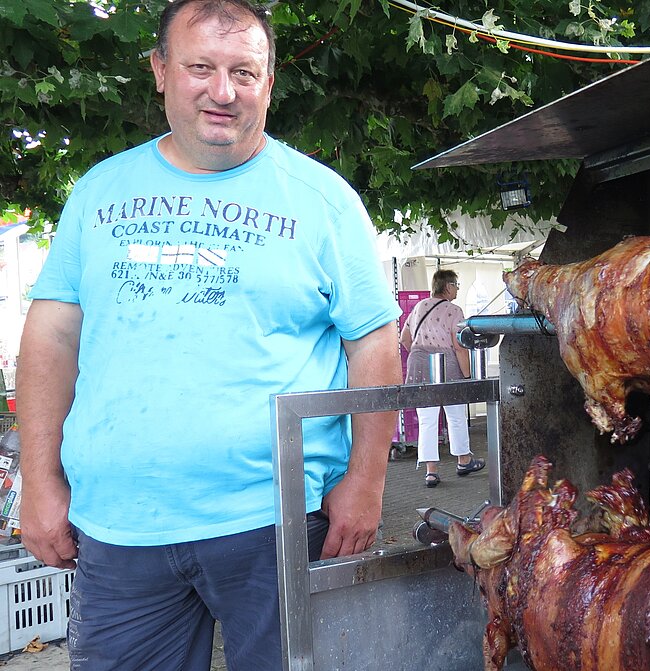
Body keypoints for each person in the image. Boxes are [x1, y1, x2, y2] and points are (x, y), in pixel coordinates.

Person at [16, 1, 402, 669]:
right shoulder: (98, 193)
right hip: (119, 523)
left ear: (269, 84)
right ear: (161, 70)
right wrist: (39, 479)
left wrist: (366, 481)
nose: (224, 92)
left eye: (244, 73)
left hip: (277, 523)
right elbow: (52, 337)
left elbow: (373, 343)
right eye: (201, 67)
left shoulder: (323, 199)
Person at [400, 270, 485, 487]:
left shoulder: (419, 306)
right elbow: (459, 347)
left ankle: (431, 471)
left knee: (427, 419)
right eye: (456, 284)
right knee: (455, 414)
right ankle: (463, 460)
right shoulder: (454, 310)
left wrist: (420, 353)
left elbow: (404, 337)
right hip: (446, 363)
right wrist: (468, 376)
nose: (457, 288)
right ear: (447, 287)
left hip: (419, 364)